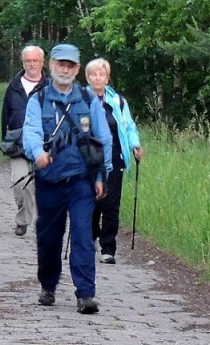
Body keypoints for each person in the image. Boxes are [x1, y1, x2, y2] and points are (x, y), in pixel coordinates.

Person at [22, 43, 113, 314]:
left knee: (84, 236)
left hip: (81, 181)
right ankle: (48, 285)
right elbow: (31, 132)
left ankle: (86, 293)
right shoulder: (38, 100)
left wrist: (101, 176)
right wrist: (37, 153)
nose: (65, 69)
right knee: (49, 238)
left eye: (70, 65)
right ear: (51, 66)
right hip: (49, 181)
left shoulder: (88, 100)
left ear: (77, 69)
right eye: (60, 64)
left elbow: (103, 139)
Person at [84, 58, 145, 264]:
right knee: (92, 202)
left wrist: (134, 145)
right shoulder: (82, 99)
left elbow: (128, 127)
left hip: (115, 157)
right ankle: (89, 239)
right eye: (93, 74)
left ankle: (108, 248)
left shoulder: (118, 101)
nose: (98, 77)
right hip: (89, 159)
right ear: (88, 77)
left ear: (108, 78)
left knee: (111, 204)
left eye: (102, 74)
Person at [2, 45, 48, 237]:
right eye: (28, 61)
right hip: (17, 142)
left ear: (42, 63)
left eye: (35, 60)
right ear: (23, 62)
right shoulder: (13, 86)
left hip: (43, 143)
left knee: (43, 185)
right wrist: (4, 140)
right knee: (21, 183)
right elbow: (5, 115)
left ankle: (33, 222)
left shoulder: (50, 87)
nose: (31, 64)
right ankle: (23, 216)